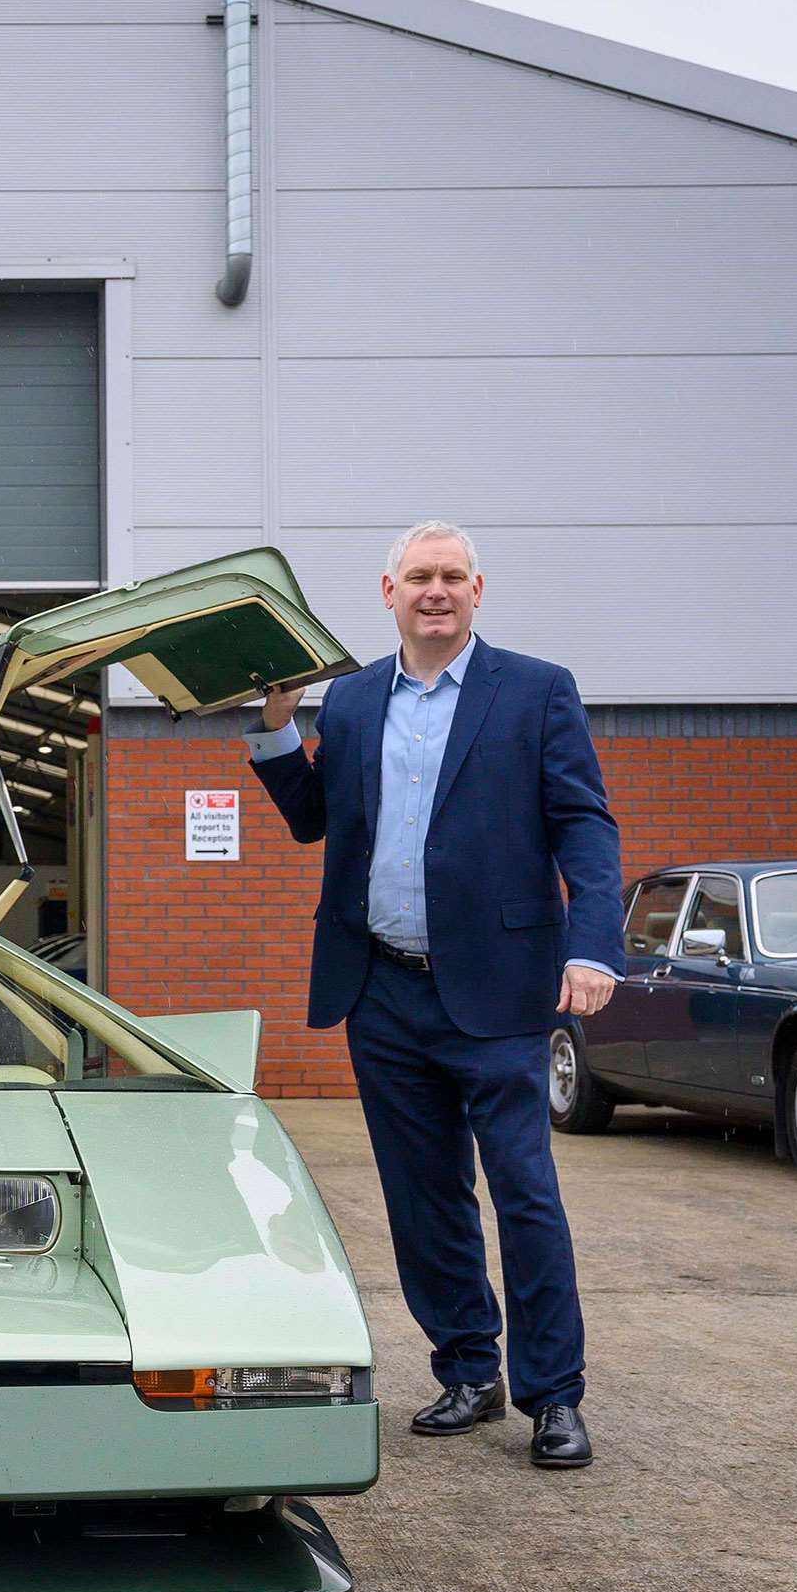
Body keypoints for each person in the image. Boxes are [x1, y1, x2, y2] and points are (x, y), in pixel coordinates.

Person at [243, 523, 623, 1469]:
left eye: (453, 576)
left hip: (498, 993)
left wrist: (595, 948)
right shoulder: (358, 698)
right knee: (423, 1198)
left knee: (525, 1192)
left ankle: (553, 1394)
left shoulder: (537, 690)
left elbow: (584, 823)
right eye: (420, 576)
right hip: (384, 991)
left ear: (478, 589)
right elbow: (315, 821)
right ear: (388, 591)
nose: (436, 590)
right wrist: (277, 727)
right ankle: (467, 1367)